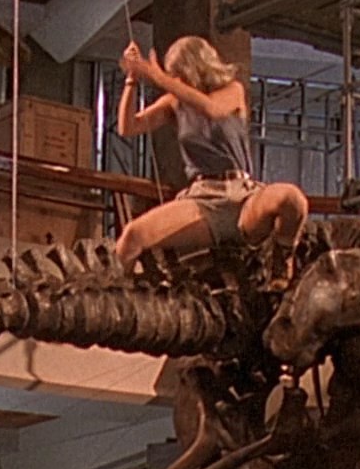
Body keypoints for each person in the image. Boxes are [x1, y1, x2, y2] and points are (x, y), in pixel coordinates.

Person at [113, 36, 308, 287]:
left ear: (196, 67)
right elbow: (128, 127)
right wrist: (132, 79)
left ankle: (281, 261)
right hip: (203, 198)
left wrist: (157, 77)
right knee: (132, 235)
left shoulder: (232, 91)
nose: (175, 81)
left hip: (242, 194)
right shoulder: (175, 102)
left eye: (178, 74)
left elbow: (213, 110)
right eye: (172, 75)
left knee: (291, 198)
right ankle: (116, 293)